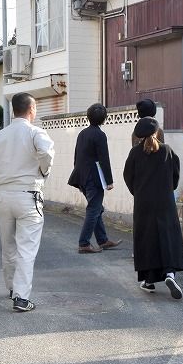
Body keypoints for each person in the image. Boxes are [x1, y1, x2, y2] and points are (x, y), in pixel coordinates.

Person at [0, 93, 55, 312]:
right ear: (32, 109)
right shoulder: (36, 132)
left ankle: (12, 287)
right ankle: (21, 297)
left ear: (14, 110)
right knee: (27, 248)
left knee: (8, 245)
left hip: (4, 195)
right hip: (29, 194)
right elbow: (46, 154)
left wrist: (3, 176)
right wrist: (43, 171)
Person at [124, 117, 183, 299]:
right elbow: (175, 175)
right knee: (167, 236)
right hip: (165, 201)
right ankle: (169, 273)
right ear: (156, 132)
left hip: (143, 202)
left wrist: (139, 192)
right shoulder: (167, 150)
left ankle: (149, 280)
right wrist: (168, 188)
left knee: (147, 238)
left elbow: (128, 177)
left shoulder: (135, 153)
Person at [68, 103, 123, 254]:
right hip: (94, 178)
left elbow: (76, 156)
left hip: (81, 176)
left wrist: (78, 175)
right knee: (93, 210)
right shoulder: (99, 135)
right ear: (104, 119)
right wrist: (109, 180)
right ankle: (84, 243)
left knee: (97, 208)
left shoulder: (82, 133)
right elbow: (104, 159)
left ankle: (103, 240)